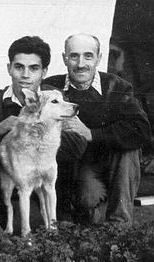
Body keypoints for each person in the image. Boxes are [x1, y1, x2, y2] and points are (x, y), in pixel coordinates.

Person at [0, 36, 87, 229]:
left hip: (44, 174)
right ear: (9, 68)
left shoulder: (55, 97)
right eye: (19, 67)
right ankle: (3, 218)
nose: (25, 75)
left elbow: (77, 145)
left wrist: (41, 135)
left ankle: (50, 218)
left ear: (44, 72)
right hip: (9, 173)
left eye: (34, 68)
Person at [43, 33, 151, 224]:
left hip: (115, 161)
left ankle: (119, 225)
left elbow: (140, 129)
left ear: (99, 58)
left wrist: (91, 134)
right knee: (87, 201)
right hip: (82, 166)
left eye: (88, 56)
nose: (81, 64)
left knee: (130, 151)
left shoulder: (117, 86)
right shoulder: (52, 88)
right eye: (74, 56)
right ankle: (84, 214)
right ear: (64, 58)